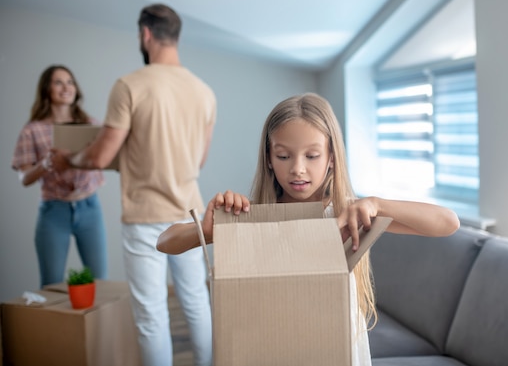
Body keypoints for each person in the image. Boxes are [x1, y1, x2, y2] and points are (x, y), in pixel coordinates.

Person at [156, 92, 459, 365]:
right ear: (269, 159)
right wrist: (211, 231)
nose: (297, 168)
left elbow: (447, 223)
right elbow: (165, 242)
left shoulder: (346, 214)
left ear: (331, 158)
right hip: (269, 347)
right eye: (284, 156)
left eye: (312, 156)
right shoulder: (254, 216)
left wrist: (376, 204)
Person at [53, 4, 216, 366]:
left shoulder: (130, 85)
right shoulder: (204, 92)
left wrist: (70, 159)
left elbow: (98, 157)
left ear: (145, 34)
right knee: (196, 302)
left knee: (151, 315)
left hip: (145, 218)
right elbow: (199, 161)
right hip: (191, 213)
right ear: (175, 36)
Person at [11, 65, 108, 288]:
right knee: (51, 283)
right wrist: (44, 164)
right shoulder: (32, 130)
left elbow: (105, 159)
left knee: (100, 281)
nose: (66, 87)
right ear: (47, 89)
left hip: (90, 208)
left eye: (70, 82)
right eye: (58, 82)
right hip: (53, 211)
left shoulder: (92, 125)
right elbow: (24, 177)